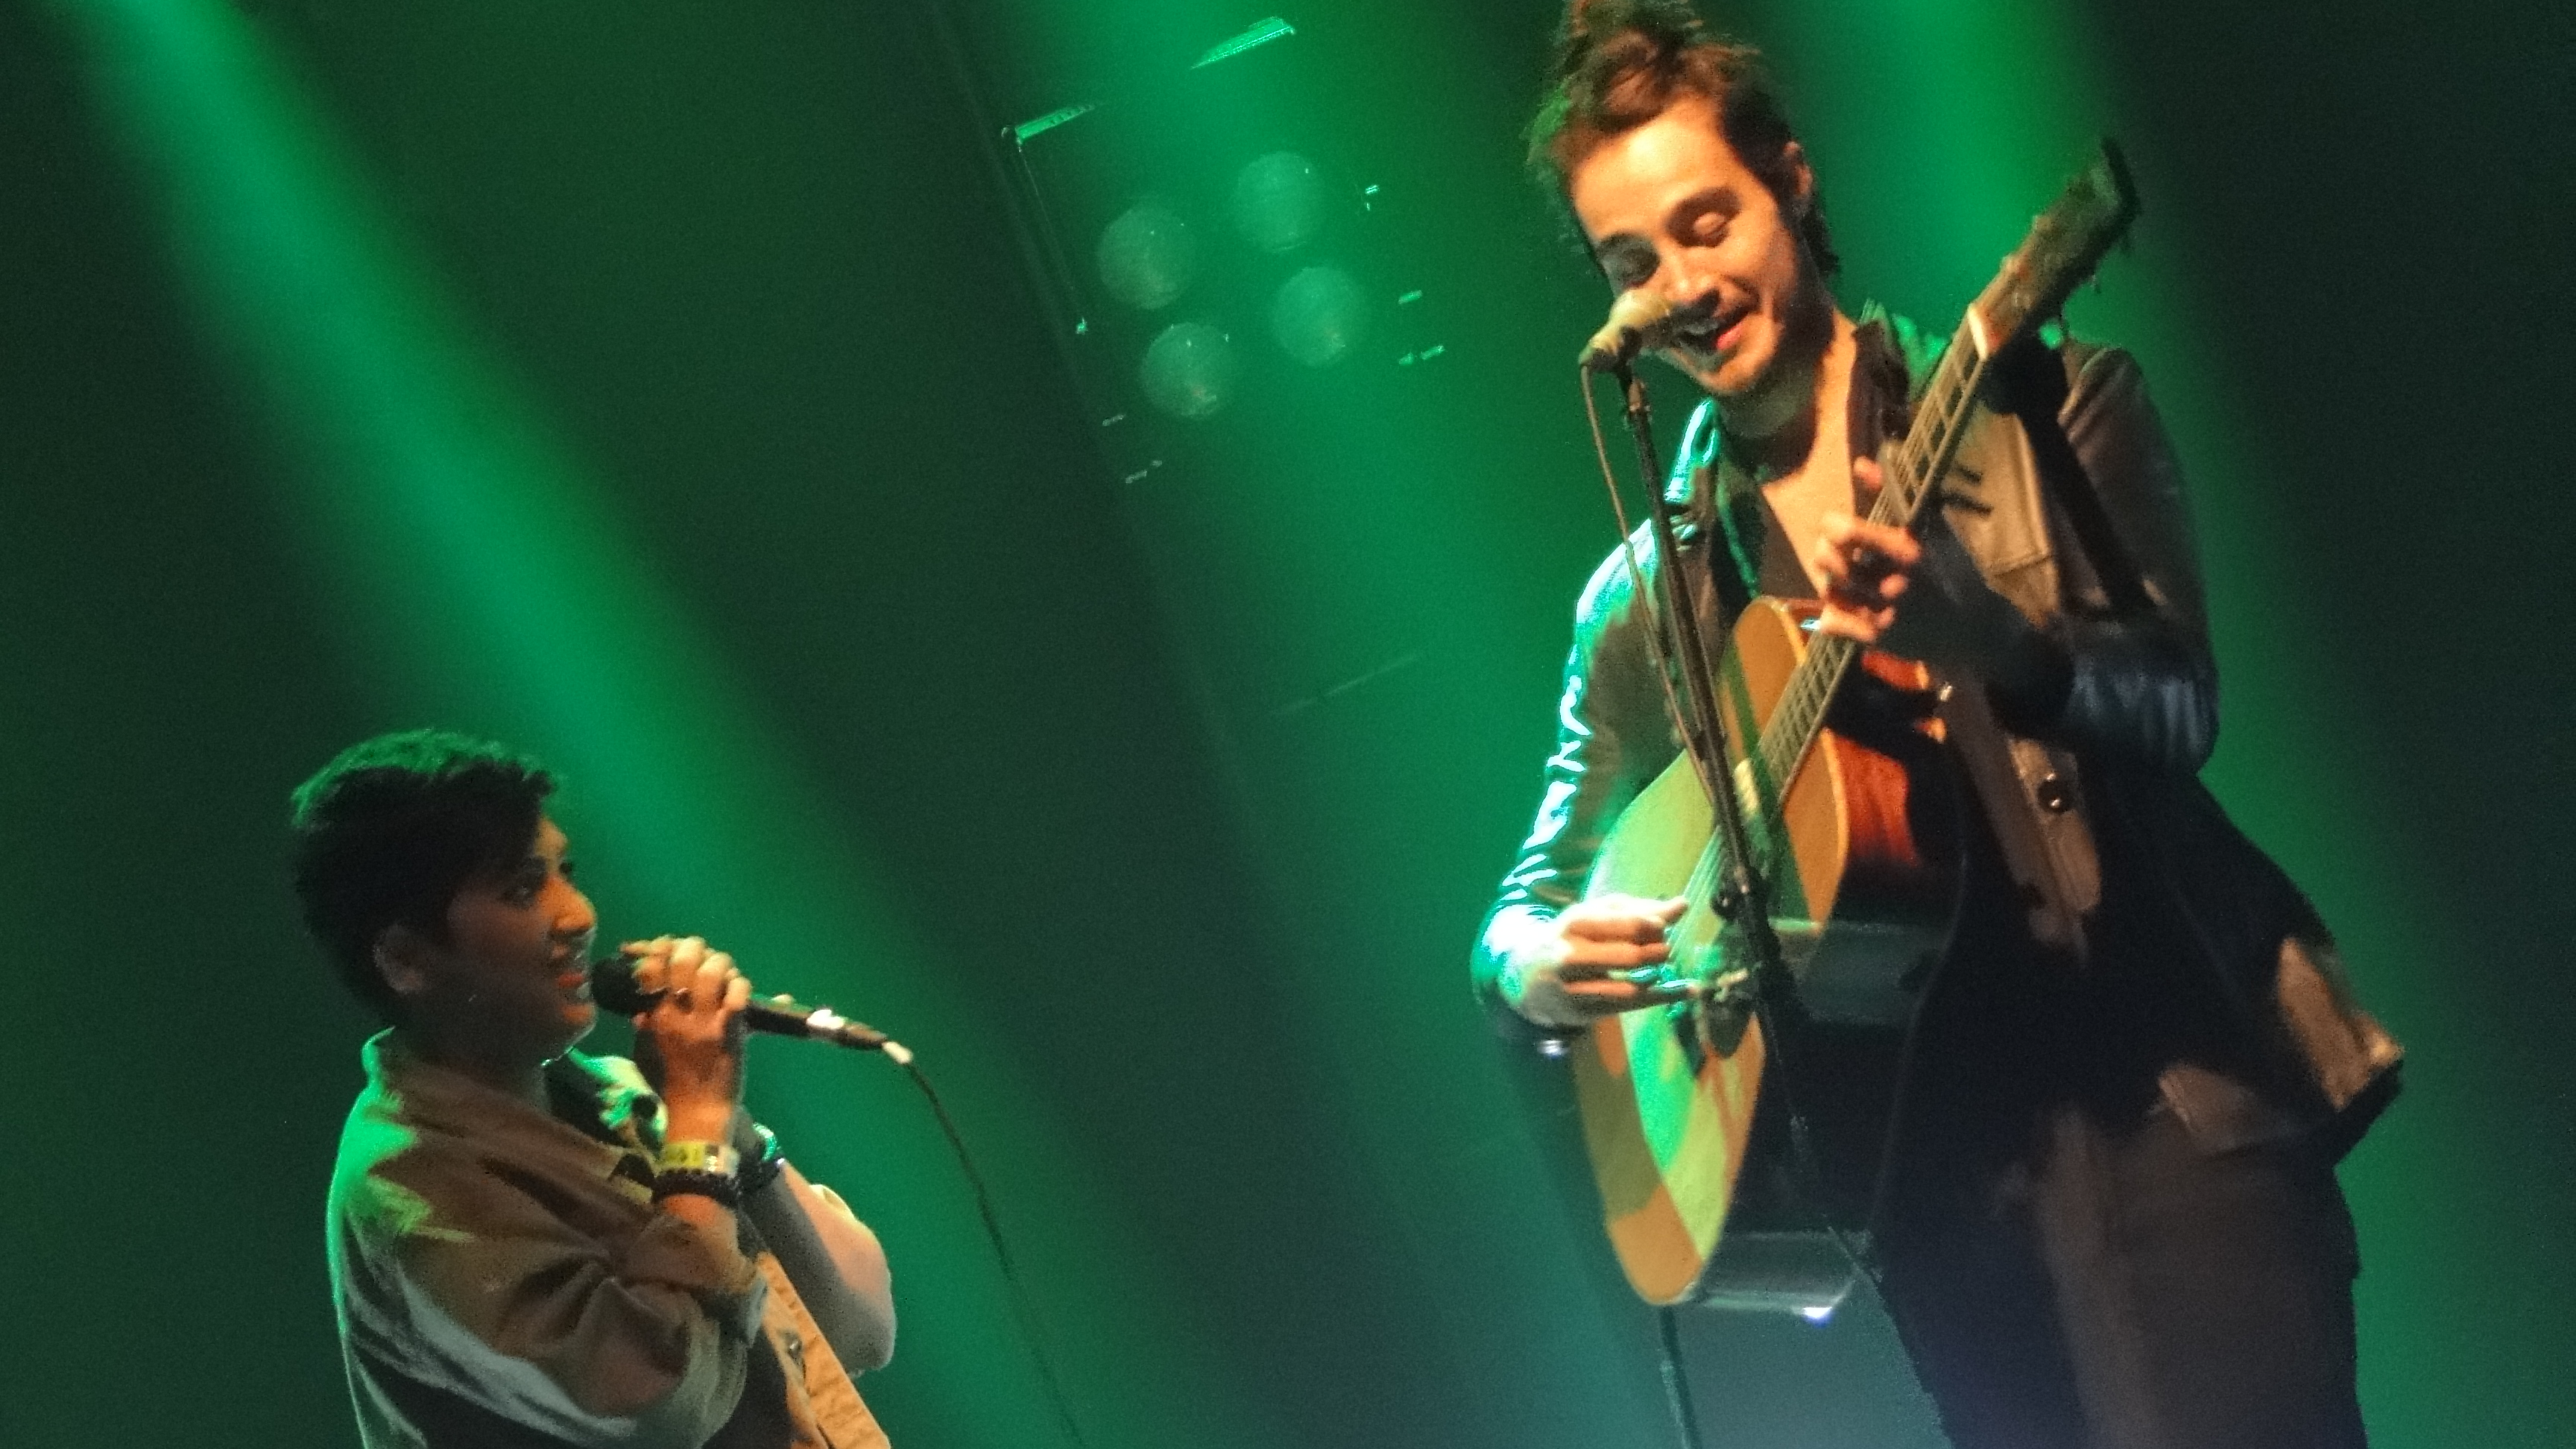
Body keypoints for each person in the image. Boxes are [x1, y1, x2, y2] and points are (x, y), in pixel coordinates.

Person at [1471, 4, 2403, 1445]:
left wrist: (1995, 643)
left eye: (1706, 224)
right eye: (1632, 264)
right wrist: (1529, 963)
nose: (1681, 287)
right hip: (1937, 1198)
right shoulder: (1644, 600)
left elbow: (2182, 702)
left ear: (1792, 181)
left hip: (2163, 1108)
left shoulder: (2046, 412)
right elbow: (1524, 904)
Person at [292, 728, 896, 1448]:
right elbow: (659, 1401)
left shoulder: (628, 1099)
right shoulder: (411, 1186)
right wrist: (699, 1131)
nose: (579, 915)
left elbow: (861, 1330)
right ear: (406, 959)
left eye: (565, 872)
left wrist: (722, 1122)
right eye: (523, 890)